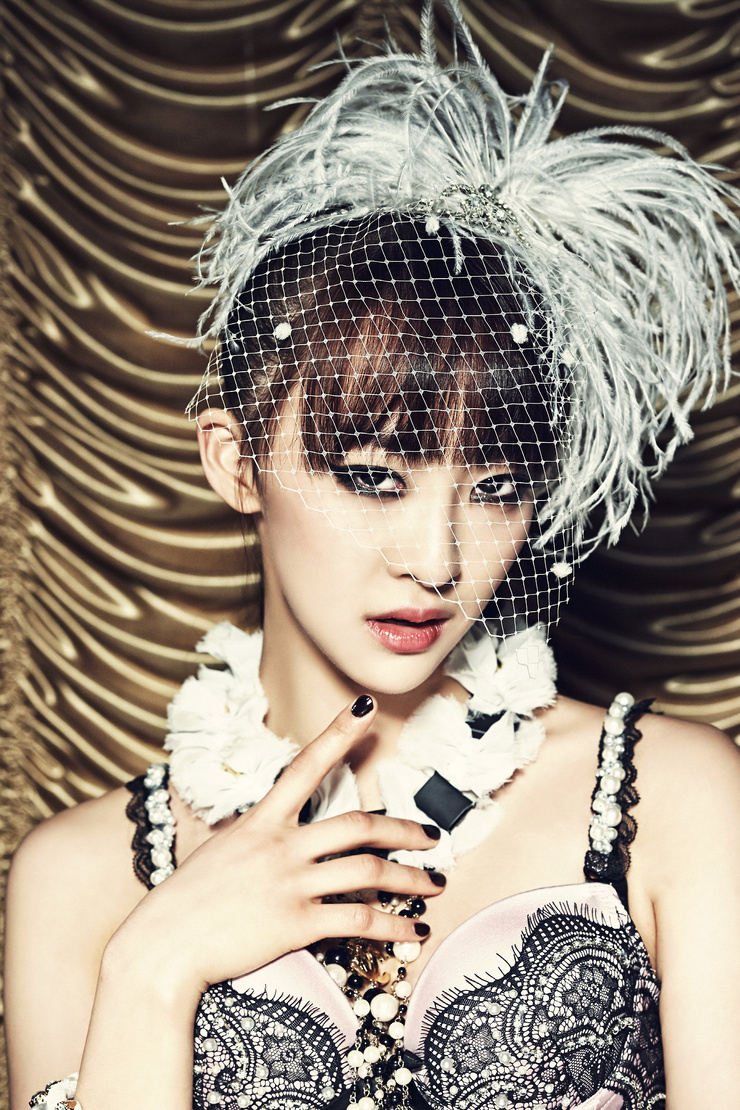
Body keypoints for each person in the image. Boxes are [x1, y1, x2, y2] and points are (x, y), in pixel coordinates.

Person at [5, 5, 740, 1109]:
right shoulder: (79, 879)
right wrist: (155, 966)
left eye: (495, 488)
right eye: (373, 477)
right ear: (237, 462)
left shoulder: (673, 798)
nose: (436, 561)